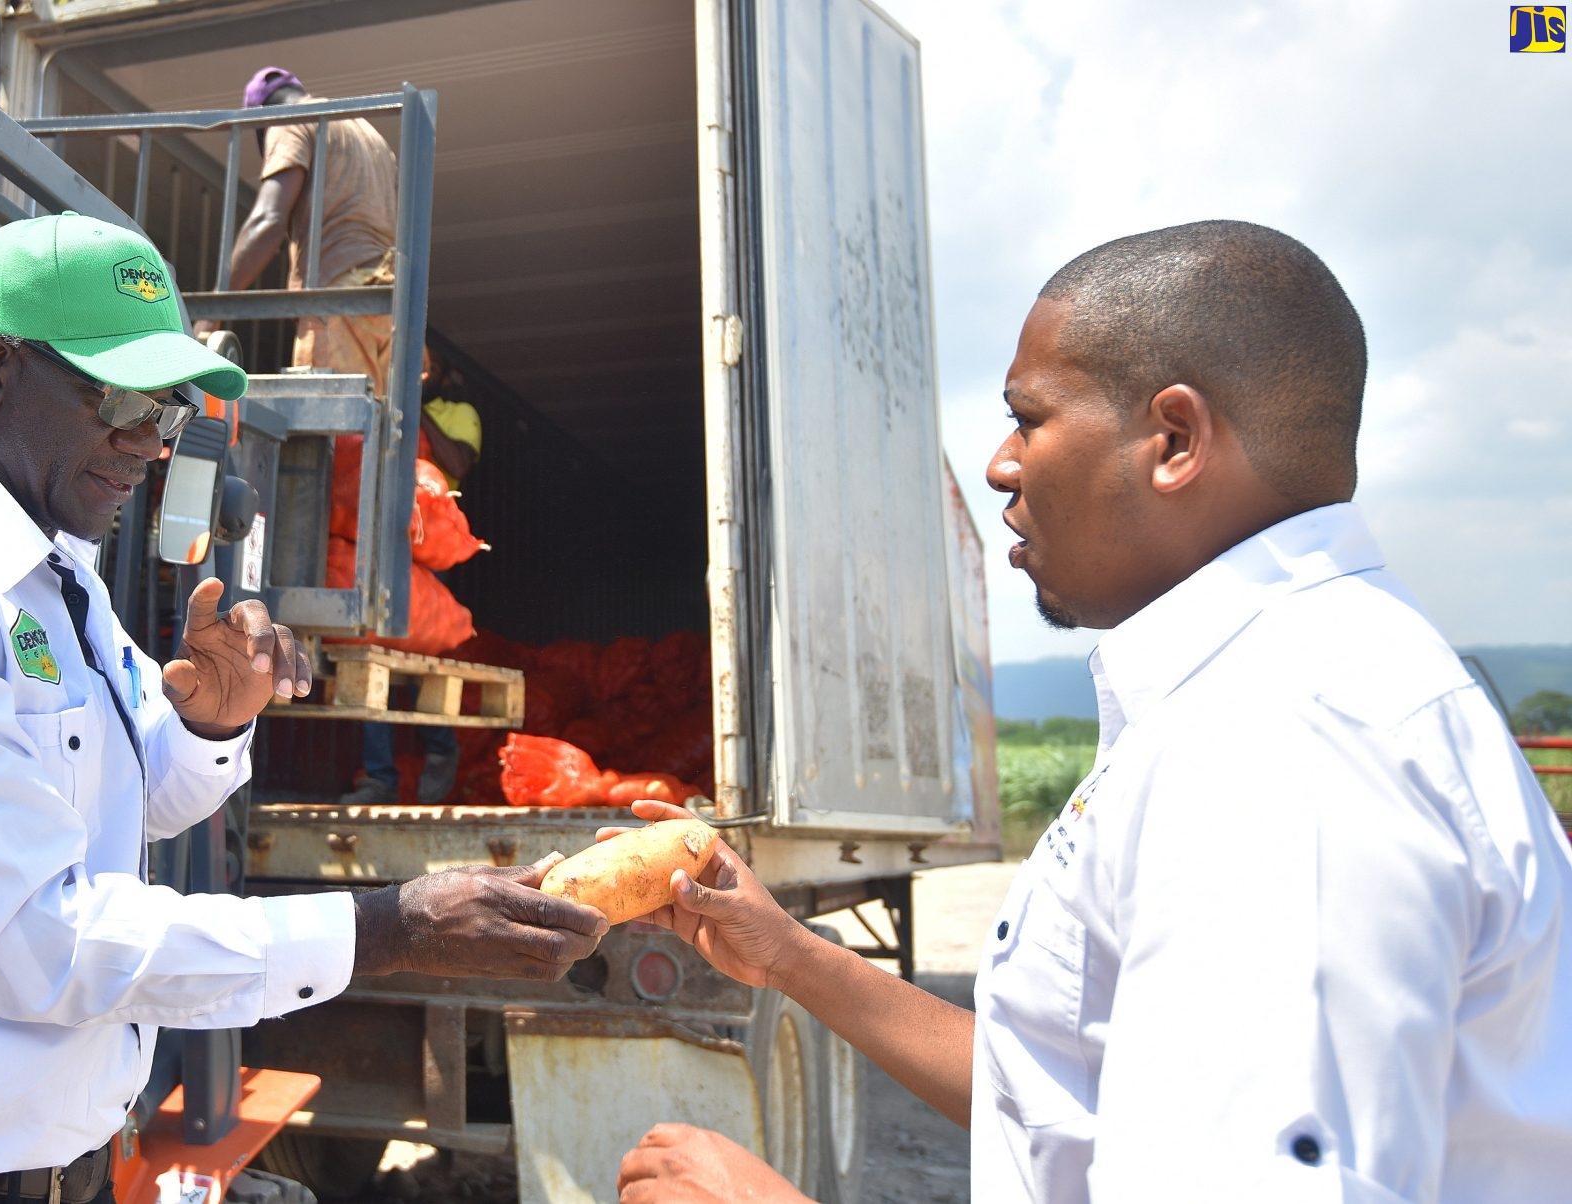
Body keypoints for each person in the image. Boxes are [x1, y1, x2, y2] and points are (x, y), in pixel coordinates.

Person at [613, 221, 1572, 1202]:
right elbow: (1075, 1110)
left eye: (1027, 418)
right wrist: (793, 957)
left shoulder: (1276, 744)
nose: (997, 466)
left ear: (1173, 440)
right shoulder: (1269, 688)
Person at [0, 213, 606, 1204]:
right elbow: (37, 944)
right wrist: (388, 924)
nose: (148, 444)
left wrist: (211, 722)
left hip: (62, 1172)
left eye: (165, 410)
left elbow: (130, 801)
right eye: (116, 400)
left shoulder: (63, 578)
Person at [341, 347, 483, 806]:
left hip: (430, 543)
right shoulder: (385, 406)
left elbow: (457, 461)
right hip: (382, 540)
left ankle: (441, 749)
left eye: (432, 368)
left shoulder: (457, 413)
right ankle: (380, 778)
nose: (425, 374)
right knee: (372, 654)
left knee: (426, 652)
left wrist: (413, 406)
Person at [210, 66, 400, 396]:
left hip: (336, 301)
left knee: (324, 431)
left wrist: (210, 314)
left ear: (262, 119)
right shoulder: (370, 135)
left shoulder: (290, 120)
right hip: (386, 305)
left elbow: (268, 220)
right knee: (374, 433)